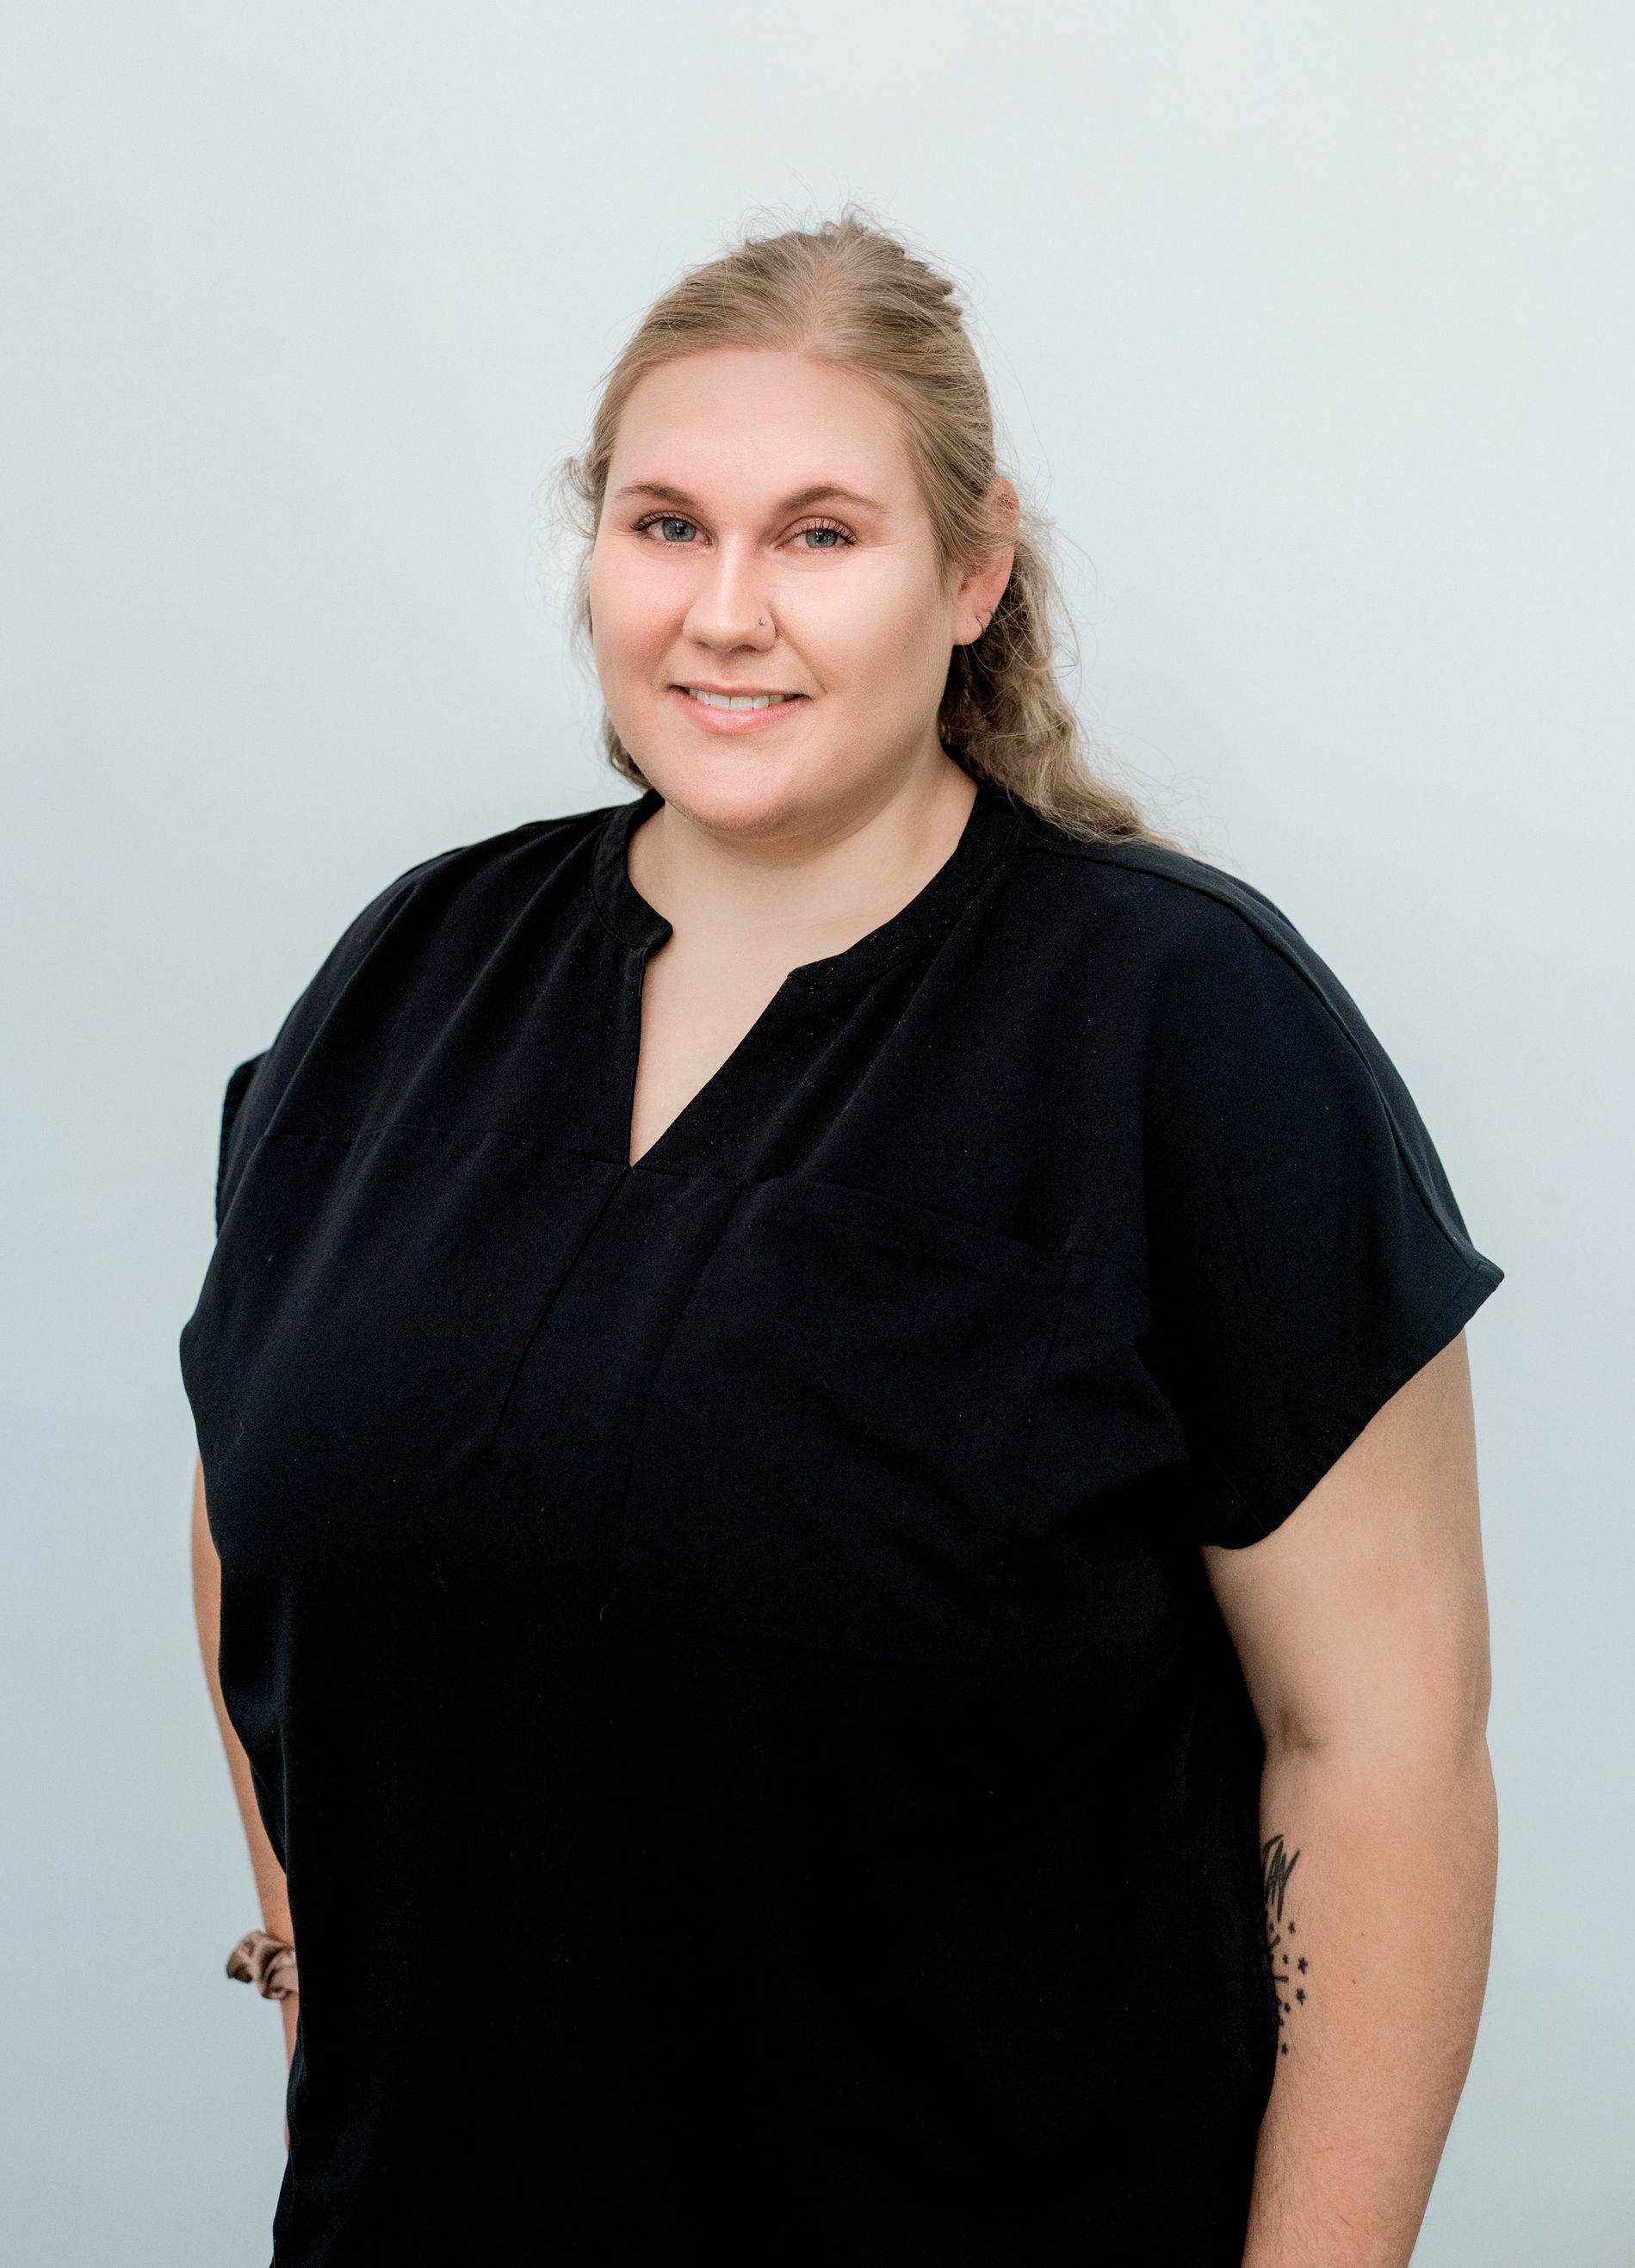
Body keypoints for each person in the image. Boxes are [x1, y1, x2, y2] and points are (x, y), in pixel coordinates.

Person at [183, 208, 1503, 2267]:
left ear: (971, 574)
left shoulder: (1183, 1030)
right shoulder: (411, 973)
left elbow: (1386, 1748)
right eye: (664, 525)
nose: (725, 612)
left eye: (819, 533)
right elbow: (257, 1480)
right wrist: (312, 1948)